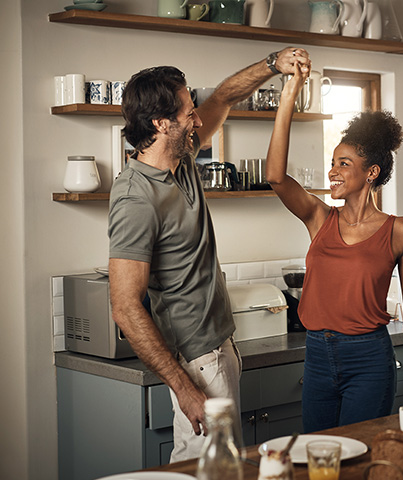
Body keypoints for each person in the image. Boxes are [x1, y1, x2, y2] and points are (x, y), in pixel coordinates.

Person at [107, 48, 311, 461]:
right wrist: (185, 388)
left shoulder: (181, 160)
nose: (197, 119)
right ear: (161, 123)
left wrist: (273, 65)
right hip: (197, 361)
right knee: (209, 469)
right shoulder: (135, 197)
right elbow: (124, 306)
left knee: (220, 465)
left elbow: (223, 99)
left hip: (218, 346)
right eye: (187, 113)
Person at [265, 65, 403, 433]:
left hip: (369, 358)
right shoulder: (319, 217)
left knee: (361, 460)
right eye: (332, 162)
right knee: (317, 458)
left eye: (344, 163)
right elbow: (275, 175)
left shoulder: (399, 231)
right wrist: (290, 92)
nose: (333, 172)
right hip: (317, 356)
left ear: (371, 172)